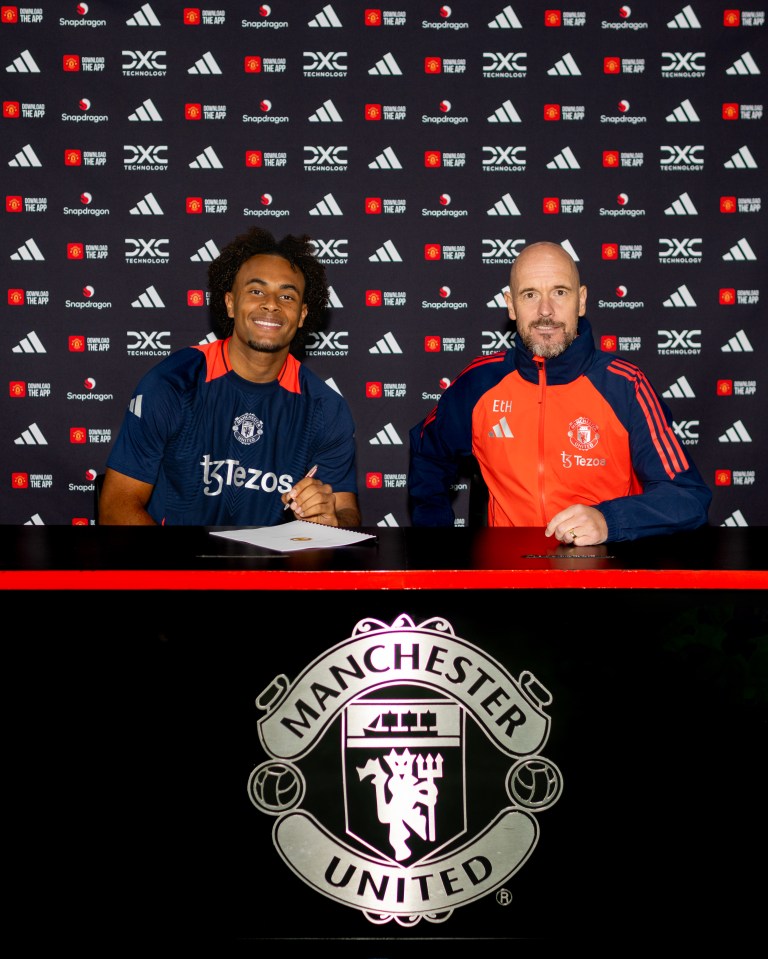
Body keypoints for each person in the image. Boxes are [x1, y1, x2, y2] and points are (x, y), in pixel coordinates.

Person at [408, 240, 711, 544]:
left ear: (581, 301)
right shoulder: (480, 382)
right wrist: (436, 542)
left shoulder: (625, 386)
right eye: (530, 295)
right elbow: (428, 452)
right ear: (511, 305)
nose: (545, 311)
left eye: (560, 292)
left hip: (603, 572)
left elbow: (687, 497)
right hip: (508, 574)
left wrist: (609, 521)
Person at [99, 227, 361, 527]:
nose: (271, 304)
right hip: (181, 567)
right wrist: (187, 573)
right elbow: (116, 509)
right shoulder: (173, 383)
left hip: (274, 572)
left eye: (286, 295)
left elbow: (347, 512)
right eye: (256, 291)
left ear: (302, 315)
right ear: (229, 303)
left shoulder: (326, 408)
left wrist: (333, 520)